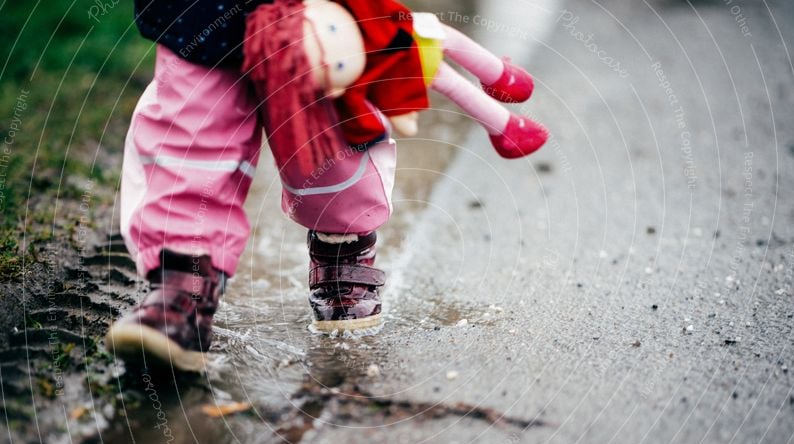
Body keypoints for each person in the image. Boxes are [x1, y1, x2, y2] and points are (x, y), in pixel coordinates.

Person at [106, 0, 545, 371]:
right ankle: (185, 282)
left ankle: (342, 245)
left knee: (330, 128)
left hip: (317, 19)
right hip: (199, 12)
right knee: (192, 130)